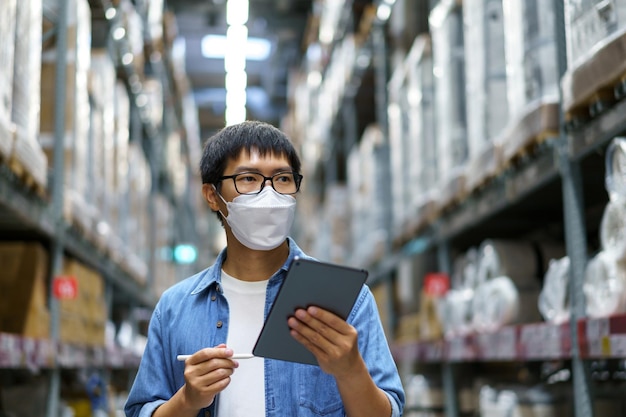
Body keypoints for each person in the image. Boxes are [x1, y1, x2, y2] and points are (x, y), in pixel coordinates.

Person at [124, 120, 405, 417]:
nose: (269, 194)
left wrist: (350, 371)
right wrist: (188, 400)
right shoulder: (175, 308)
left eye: (283, 179)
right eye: (248, 178)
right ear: (212, 195)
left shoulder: (348, 302)